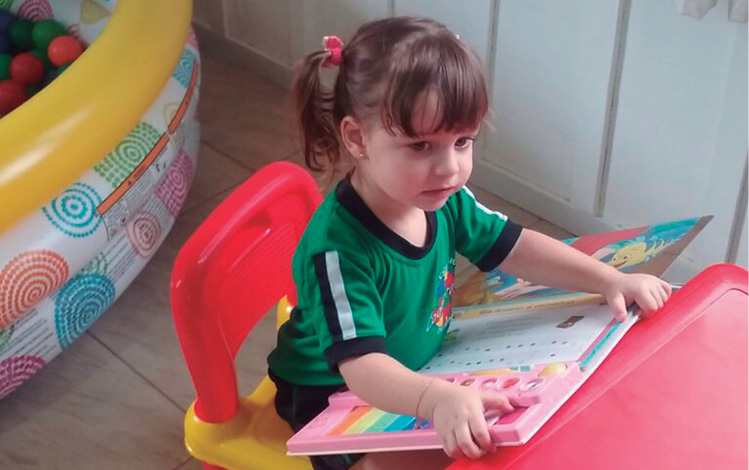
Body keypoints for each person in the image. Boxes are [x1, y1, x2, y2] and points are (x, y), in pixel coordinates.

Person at [267, 16, 672, 470]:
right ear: (358, 138)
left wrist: (608, 278)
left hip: (422, 367)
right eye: (421, 146)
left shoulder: (443, 199)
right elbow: (361, 366)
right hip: (333, 392)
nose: (449, 168)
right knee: (453, 453)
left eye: (462, 141)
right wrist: (436, 399)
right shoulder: (337, 249)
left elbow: (517, 246)